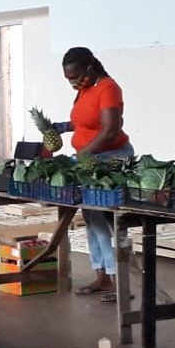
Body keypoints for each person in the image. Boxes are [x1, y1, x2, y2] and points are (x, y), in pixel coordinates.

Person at [56, 46, 133, 299]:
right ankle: (102, 275)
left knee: (104, 218)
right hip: (90, 159)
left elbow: (110, 130)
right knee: (91, 218)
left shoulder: (109, 88)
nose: (73, 82)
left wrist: (84, 153)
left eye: (75, 76)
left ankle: (117, 279)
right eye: (68, 79)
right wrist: (61, 127)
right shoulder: (85, 90)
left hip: (113, 160)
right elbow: (85, 121)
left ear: (90, 67)